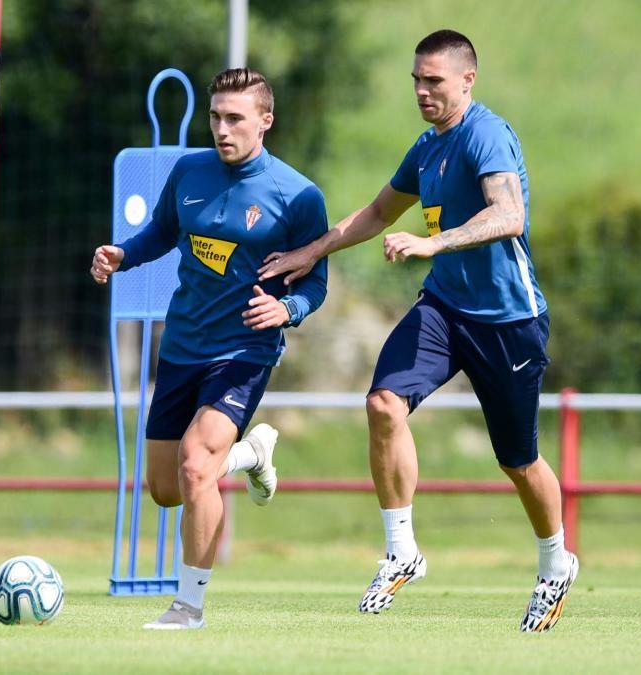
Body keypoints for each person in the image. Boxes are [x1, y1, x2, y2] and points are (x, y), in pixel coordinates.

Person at [258, 29, 576, 632]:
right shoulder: (426, 149)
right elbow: (379, 213)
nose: (423, 91)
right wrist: (314, 249)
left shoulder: (486, 134)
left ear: (467, 80)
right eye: (416, 80)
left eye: (434, 80)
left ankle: (555, 562)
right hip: (444, 309)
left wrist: (432, 242)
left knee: (518, 460)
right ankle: (402, 549)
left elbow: (509, 216)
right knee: (383, 404)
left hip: (509, 321)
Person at [90, 67, 328, 630]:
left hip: (245, 350)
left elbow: (315, 283)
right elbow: (159, 233)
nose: (222, 129)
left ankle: (187, 606)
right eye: (216, 117)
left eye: (235, 118)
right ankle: (250, 456)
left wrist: (287, 310)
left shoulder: (298, 195)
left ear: (265, 121)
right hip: (183, 343)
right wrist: (124, 255)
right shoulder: (189, 170)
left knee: (197, 467)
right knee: (166, 490)